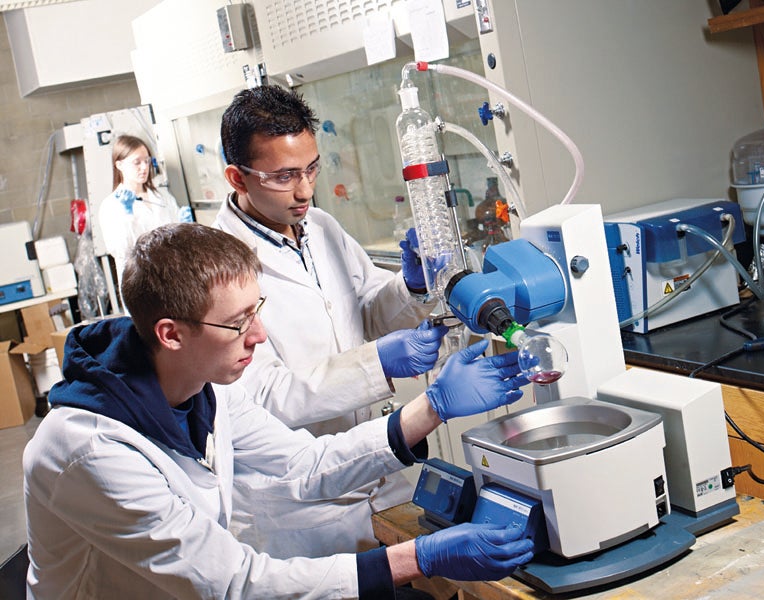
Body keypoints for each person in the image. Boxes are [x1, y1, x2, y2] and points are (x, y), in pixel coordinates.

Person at [23, 222, 535, 599]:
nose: (259, 335)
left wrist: (434, 406)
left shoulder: (208, 390)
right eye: (237, 323)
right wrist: (418, 557)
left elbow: (306, 466)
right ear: (170, 334)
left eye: (257, 310)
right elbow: (232, 583)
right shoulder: (89, 451)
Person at [214, 84, 446, 557]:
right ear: (237, 178)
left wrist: (411, 287)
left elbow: (366, 310)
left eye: (311, 168)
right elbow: (263, 396)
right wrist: (376, 364)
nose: (304, 190)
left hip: (380, 473)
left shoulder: (321, 228)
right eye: (283, 176)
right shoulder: (216, 266)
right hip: (303, 504)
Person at [97, 134, 186, 285]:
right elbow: (120, 251)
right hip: (140, 282)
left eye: (147, 161)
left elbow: (178, 238)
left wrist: (186, 227)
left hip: (172, 275)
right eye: (137, 163)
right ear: (119, 165)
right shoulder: (111, 205)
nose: (144, 167)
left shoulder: (162, 196)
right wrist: (128, 216)